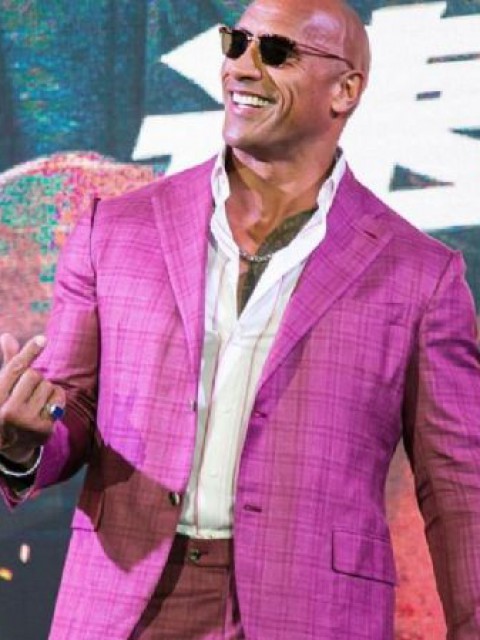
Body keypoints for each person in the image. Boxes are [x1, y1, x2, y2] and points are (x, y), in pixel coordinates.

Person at [1, 0, 479, 638]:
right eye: (236, 43)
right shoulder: (113, 229)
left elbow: (458, 489)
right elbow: (70, 409)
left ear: (345, 90)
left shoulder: (420, 274)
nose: (242, 69)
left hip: (312, 612)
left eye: (276, 53)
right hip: (125, 603)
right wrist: (21, 444)